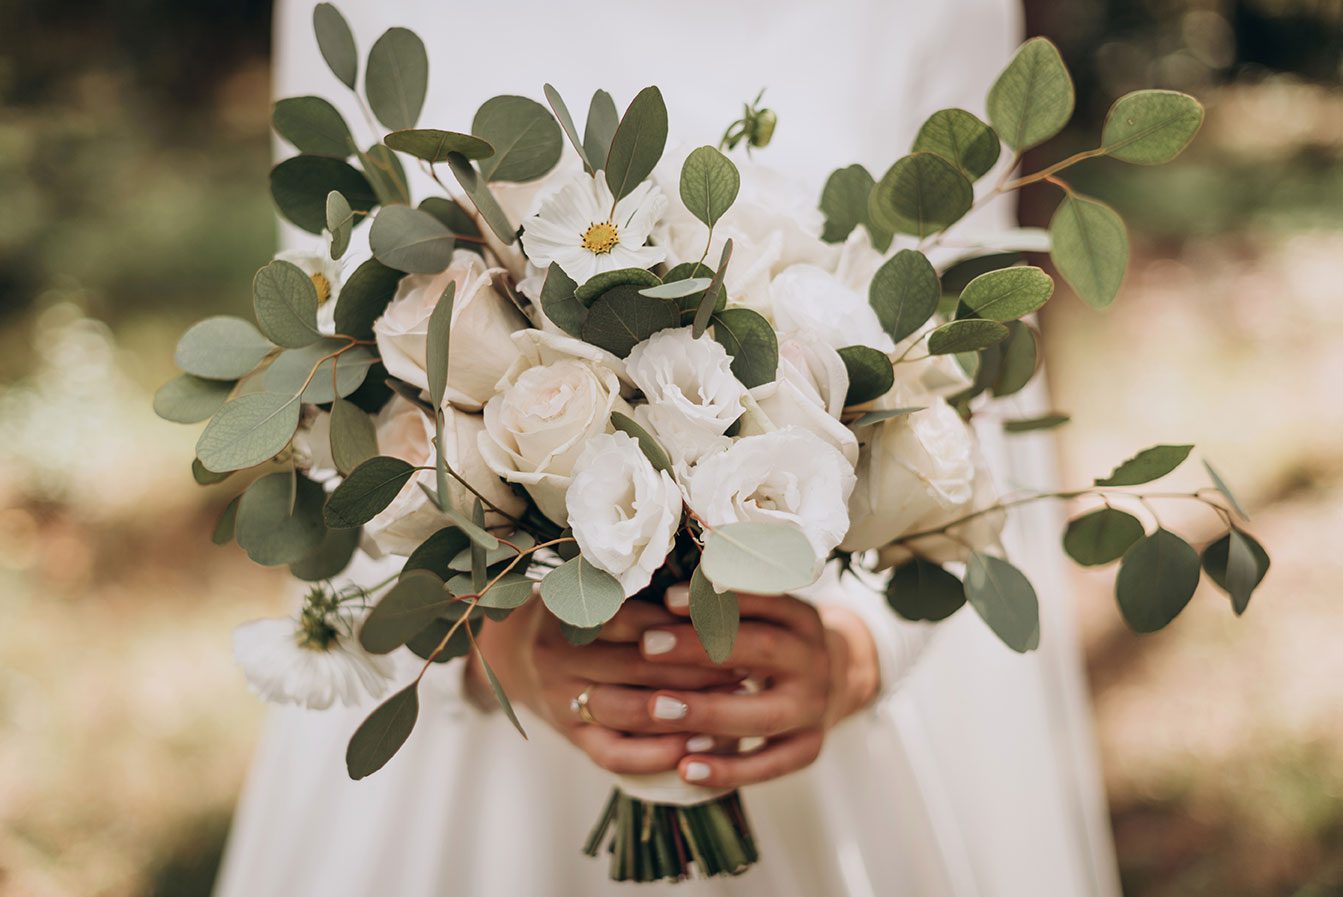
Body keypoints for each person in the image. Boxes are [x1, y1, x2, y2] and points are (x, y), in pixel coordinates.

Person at [213, 2, 1121, 894]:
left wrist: (860, 652)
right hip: (479, 715)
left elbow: (962, 363)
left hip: (799, 701)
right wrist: (496, 649)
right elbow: (329, 366)